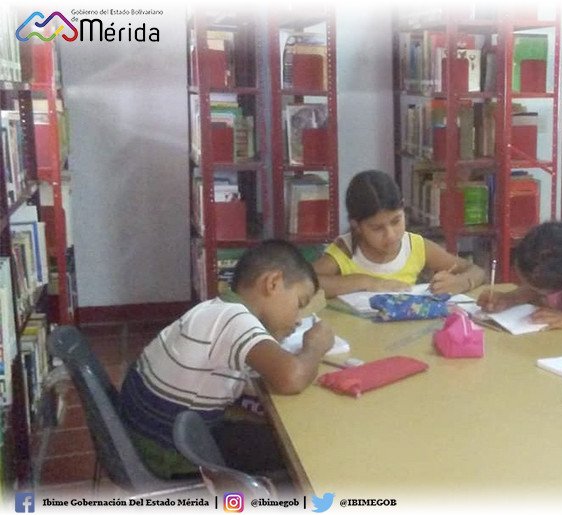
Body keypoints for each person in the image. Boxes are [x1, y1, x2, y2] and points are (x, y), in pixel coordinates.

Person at [119, 239, 334, 479]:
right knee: (307, 450)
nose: (297, 319)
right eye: (299, 304)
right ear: (272, 283)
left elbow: (256, 384)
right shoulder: (234, 318)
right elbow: (291, 379)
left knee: (279, 433)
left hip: (155, 437)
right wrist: (316, 346)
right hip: (174, 454)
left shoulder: (215, 309)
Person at [313, 169, 486, 297]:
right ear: (356, 226)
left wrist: (461, 282)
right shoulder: (346, 250)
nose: (391, 235)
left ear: (403, 208)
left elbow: (477, 271)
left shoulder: (416, 246)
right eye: (377, 228)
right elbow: (306, 283)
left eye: (396, 221)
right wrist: (366, 282)